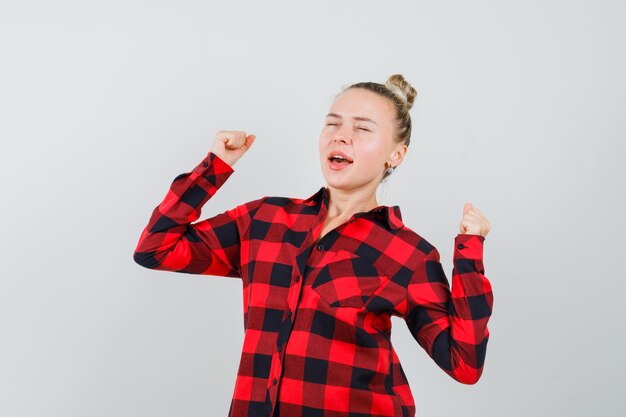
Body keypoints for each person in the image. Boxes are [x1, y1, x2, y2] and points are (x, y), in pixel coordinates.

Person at [133, 73, 493, 417]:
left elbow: (464, 364)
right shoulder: (265, 219)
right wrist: (214, 168)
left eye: (362, 128)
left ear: (396, 155)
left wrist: (469, 253)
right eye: (332, 123)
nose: (340, 136)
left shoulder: (408, 254)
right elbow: (155, 249)